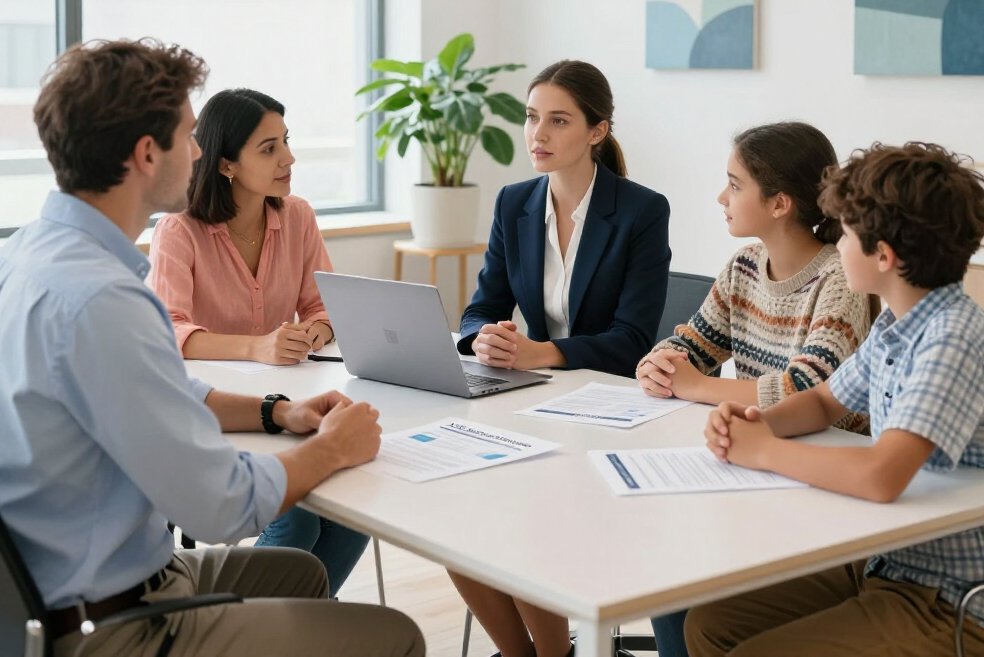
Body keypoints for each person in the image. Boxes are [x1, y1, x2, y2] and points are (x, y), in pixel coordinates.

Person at [0, 39, 424, 657]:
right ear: (148, 154)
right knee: (396, 636)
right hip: (114, 622)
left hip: (91, 580)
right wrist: (330, 449)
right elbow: (219, 508)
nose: (199, 151)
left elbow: (159, 390)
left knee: (306, 576)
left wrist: (275, 411)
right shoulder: (104, 300)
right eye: (191, 135)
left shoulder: (27, 255)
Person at [689, 142, 984, 657]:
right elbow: (824, 401)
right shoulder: (896, 323)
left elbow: (880, 476)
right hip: (884, 561)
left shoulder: (951, 337)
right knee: (710, 623)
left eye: (844, 235)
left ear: (883, 256)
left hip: (950, 600)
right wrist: (755, 422)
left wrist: (762, 450)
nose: (836, 246)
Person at [450, 59, 671, 657]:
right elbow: (479, 309)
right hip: (532, 404)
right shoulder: (513, 203)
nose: (537, 135)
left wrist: (540, 351)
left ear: (597, 131)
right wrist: (483, 340)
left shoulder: (641, 212)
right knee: (455, 531)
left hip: (613, 414)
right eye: (530, 118)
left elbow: (632, 339)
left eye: (557, 120)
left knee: (524, 526)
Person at [636, 122, 875, 657]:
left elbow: (807, 388)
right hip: (756, 463)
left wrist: (700, 389)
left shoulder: (839, 278)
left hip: (821, 481)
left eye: (735, 184)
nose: (722, 197)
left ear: (780, 204)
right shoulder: (745, 266)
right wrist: (658, 364)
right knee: (663, 567)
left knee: (685, 575)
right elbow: (690, 344)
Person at [147, 86, 368, 596]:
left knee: (353, 511)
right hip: (215, 414)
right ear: (226, 164)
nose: (289, 158)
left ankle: (294, 630)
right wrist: (256, 346)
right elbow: (169, 331)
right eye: (268, 148)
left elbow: (324, 306)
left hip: (293, 405)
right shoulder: (179, 230)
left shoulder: (298, 216)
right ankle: (252, 628)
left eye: (286, 142)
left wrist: (314, 330)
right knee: (299, 520)